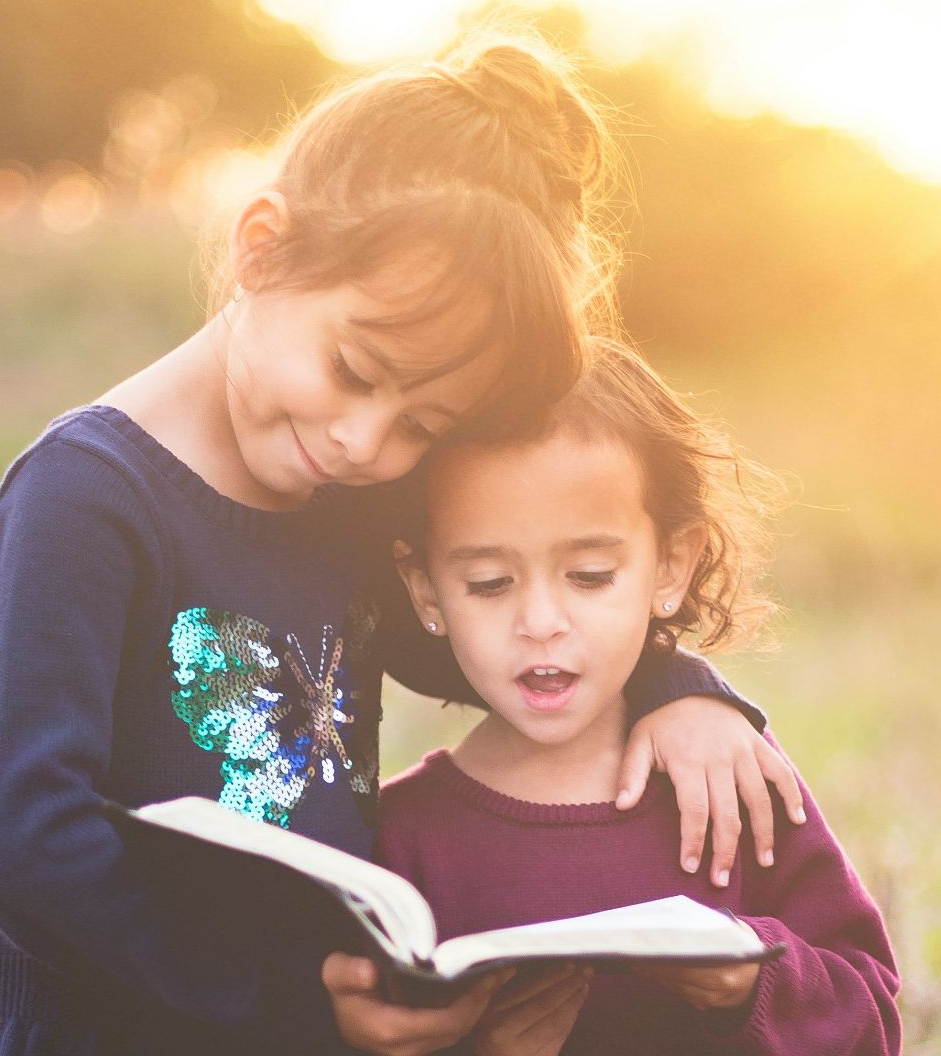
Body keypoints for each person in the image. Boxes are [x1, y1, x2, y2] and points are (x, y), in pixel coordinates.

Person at [0, 33, 805, 1055]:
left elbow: (500, 647)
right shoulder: (85, 502)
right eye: (357, 370)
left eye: (424, 424)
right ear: (262, 247)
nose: (369, 442)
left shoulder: (343, 497)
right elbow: (27, 844)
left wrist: (684, 692)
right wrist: (295, 1002)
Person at [379, 339, 901, 1055]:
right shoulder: (403, 838)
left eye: (590, 575)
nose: (541, 623)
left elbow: (871, 1014)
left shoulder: (726, 774)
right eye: (490, 584)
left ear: (671, 567)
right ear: (425, 589)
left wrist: (750, 982)